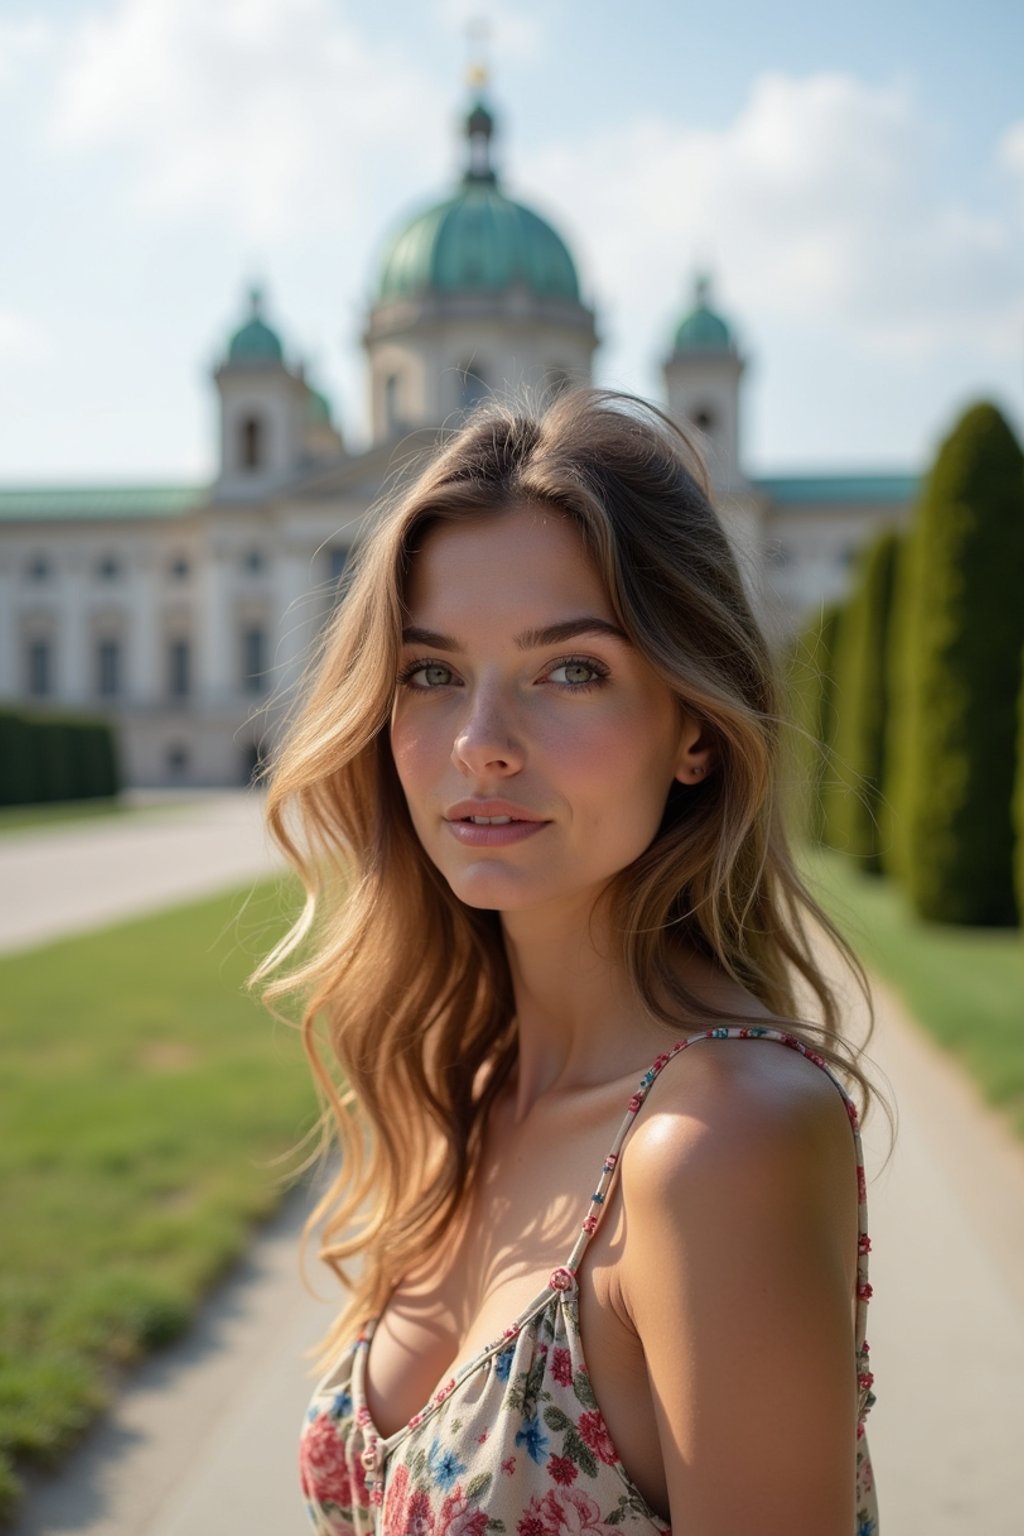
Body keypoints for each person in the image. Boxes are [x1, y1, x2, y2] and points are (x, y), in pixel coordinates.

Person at [256, 389, 885, 1536]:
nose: (478, 743)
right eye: (429, 672)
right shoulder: (464, 1084)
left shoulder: (720, 1141)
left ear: (694, 727)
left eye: (571, 671)